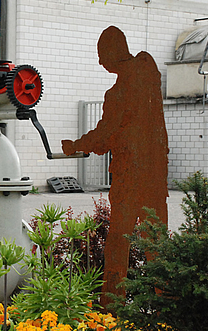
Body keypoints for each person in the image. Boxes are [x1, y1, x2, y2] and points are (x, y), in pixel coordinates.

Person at [61, 26, 168, 309]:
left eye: (101, 56)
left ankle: (111, 304)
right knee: (156, 243)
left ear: (111, 53)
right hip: (156, 175)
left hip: (129, 178)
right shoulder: (148, 76)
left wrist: (76, 146)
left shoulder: (120, 91)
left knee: (119, 242)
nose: (100, 63)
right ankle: (168, 305)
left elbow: (106, 134)